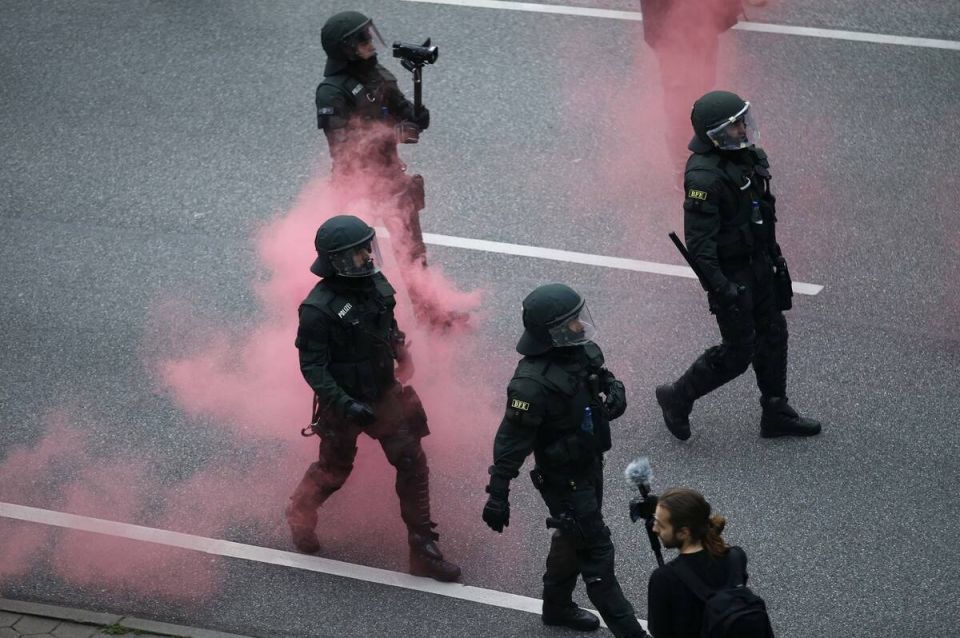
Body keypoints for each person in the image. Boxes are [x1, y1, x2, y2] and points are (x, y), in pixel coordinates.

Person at [285, 214, 461, 582]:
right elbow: (313, 368)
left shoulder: (376, 285)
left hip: (384, 393)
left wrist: (401, 352)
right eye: (357, 253)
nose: (367, 257)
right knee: (335, 471)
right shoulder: (317, 309)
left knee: (412, 463)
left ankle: (423, 547)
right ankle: (301, 510)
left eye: (368, 248)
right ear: (336, 262)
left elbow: (388, 327)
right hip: (343, 405)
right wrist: (345, 404)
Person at [482, 284, 648, 637]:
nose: (579, 327)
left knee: (571, 538)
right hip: (563, 479)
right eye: (571, 323)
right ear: (550, 334)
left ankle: (556, 607)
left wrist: (615, 389)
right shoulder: (531, 384)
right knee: (597, 554)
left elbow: (601, 377)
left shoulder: (579, 351)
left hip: (589, 463)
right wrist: (498, 493)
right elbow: (511, 441)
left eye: (578, 319)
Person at [655, 90, 821, 440]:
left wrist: (773, 258)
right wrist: (722, 287)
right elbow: (700, 245)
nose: (743, 130)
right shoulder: (704, 177)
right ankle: (677, 397)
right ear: (715, 134)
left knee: (773, 333)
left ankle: (775, 411)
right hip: (732, 272)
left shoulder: (747, 157)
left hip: (759, 262)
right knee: (738, 351)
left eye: (743, 122)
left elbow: (761, 214)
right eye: (734, 127)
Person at [316, 11, 462, 329]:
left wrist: (415, 115)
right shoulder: (331, 92)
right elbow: (344, 148)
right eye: (362, 39)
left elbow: (400, 108)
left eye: (369, 35)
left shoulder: (376, 74)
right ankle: (370, 331)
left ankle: (432, 317)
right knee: (361, 264)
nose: (370, 42)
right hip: (357, 190)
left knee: (413, 252)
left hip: (392, 180)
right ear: (345, 48)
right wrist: (393, 133)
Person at [647, 488, 773, 637]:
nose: (654, 528)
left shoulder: (664, 578)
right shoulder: (736, 557)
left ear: (684, 532)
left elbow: (659, 631)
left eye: (661, 525)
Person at [640, 0, 743, 174]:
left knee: (698, 87)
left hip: (695, 25)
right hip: (676, 28)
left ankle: (694, 159)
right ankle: (686, 168)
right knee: (682, 96)